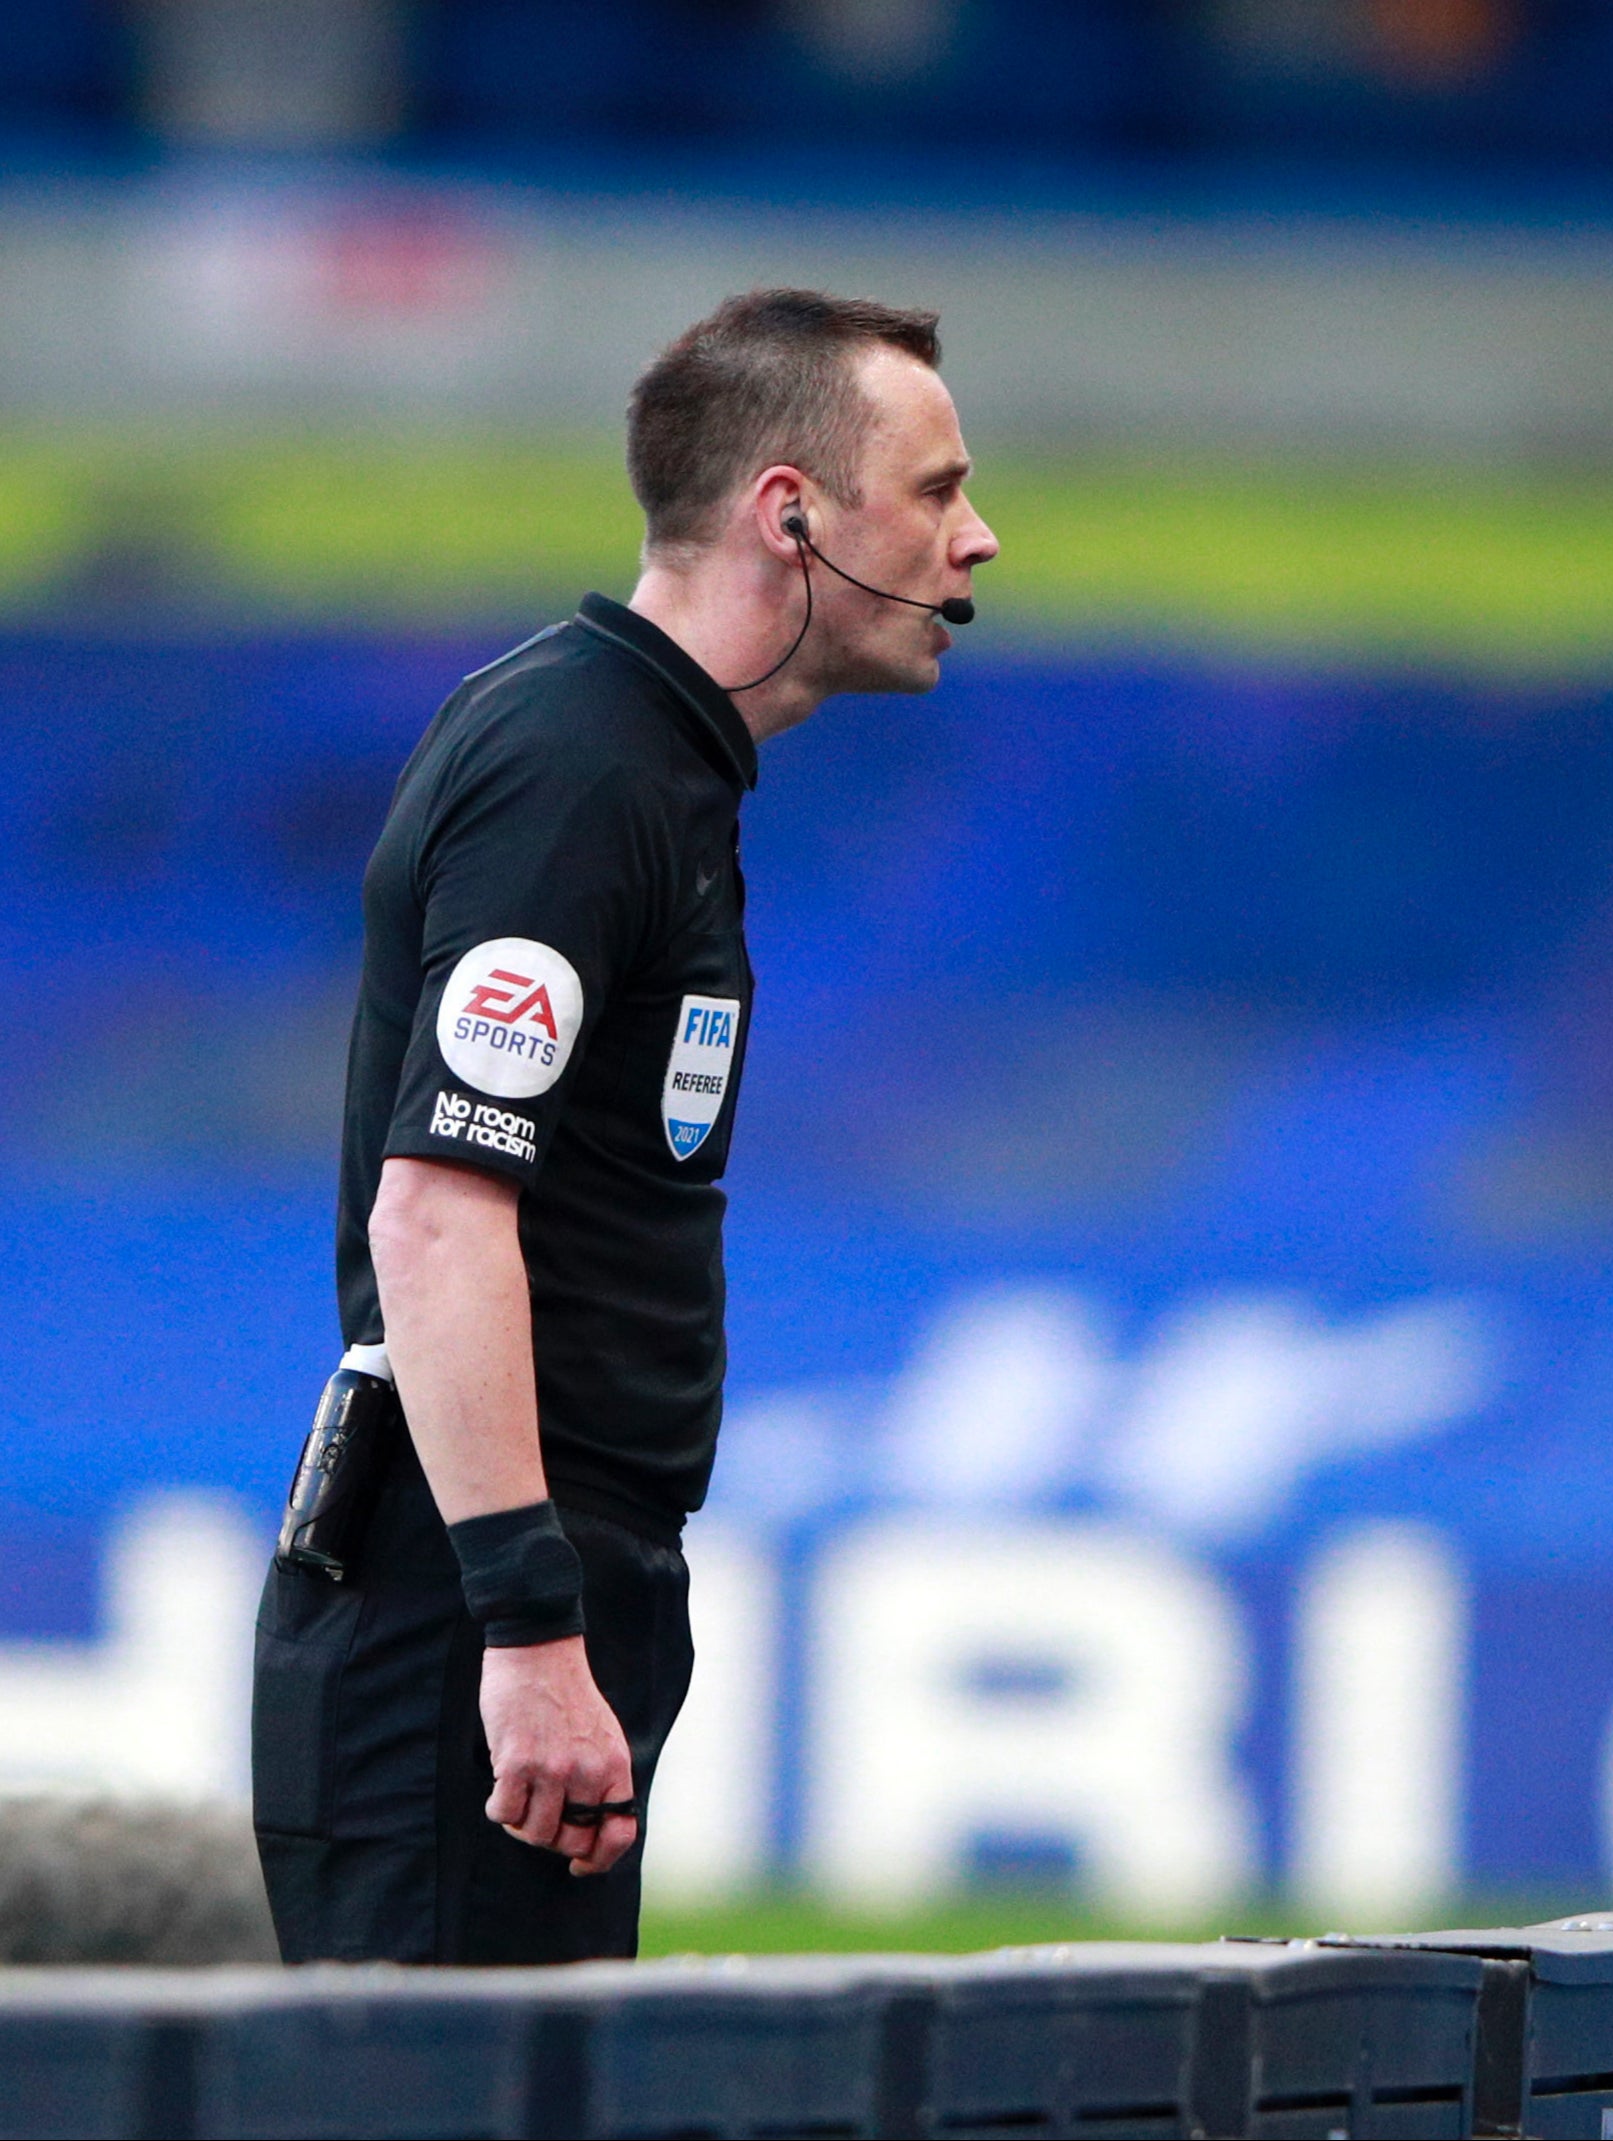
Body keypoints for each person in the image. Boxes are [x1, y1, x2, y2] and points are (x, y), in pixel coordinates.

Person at [251, 289, 998, 1963]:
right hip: (461, 1609)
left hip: (532, 1584)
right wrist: (523, 1623)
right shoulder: (576, 767)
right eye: (938, 490)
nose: (982, 539)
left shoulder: (647, 763)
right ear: (790, 515)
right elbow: (435, 1213)